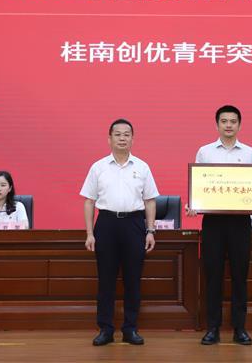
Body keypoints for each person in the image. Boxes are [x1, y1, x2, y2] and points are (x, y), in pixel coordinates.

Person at [80, 119, 159, 347]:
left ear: (132, 139)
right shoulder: (98, 167)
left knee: (133, 280)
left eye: (127, 134)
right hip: (106, 223)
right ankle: (105, 329)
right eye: (118, 134)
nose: (122, 138)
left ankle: (130, 328)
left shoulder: (142, 167)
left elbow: (150, 201)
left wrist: (150, 230)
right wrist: (89, 233)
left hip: (134, 224)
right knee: (106, 280)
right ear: (109, 139)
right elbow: (89, 201)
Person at [188, 104, 252, 346]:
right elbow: (199, 186)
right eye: (224, 121)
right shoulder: (205, 152)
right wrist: (194, 204)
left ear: (239, 125)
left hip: (240, 222)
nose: (228, 125)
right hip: (213, 223)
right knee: (213, 276)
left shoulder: (249, 153)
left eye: (233, 121)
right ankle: (213, 328)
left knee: (240, 276)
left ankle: (240, 328)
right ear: (217, 124)